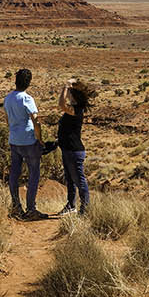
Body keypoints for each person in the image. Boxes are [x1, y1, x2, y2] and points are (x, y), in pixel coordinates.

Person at [3, 68, 46, 220]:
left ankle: (16, 206)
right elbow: (36, 121)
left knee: (14, 174)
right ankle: (31, 209)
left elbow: (7, 120)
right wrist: (39, 138)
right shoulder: (27, 99)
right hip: (28, 141)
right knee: (33, 174)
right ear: (29, 82)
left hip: (14, 141)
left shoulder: (8, 98)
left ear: (16, 81)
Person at [57, 78, 92, 216]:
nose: (68, 95)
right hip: (68, 150)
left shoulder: (76, 110)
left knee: (79, 181)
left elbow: (61, 104)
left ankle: (85, 210)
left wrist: (65, 87)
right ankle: (71, 205)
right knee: (70, 180)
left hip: (74, 151)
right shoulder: (75, 110)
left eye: (70, 93)